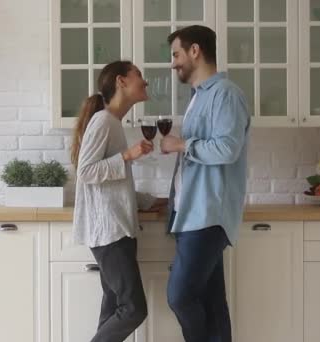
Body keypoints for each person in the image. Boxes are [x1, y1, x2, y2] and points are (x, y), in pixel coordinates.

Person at [160, 25, 250, 342]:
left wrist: (181, 145)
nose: (173, 63)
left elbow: (227, 149)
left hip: (208, 214)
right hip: (193, 213)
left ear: (195, 51)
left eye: (176, 54)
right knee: (213, 304)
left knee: (180, 296)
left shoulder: (226, 94)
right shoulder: (199, 97)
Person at [71, 60, 168, 342]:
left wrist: (149, 201)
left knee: (114, 305)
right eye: (139, 75)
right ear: (121, 82)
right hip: (109, 232)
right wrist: (127, 156)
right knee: (133, 309)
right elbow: (86, 172)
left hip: (116, 228)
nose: (145, 81)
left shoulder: (112, 122)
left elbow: (114, 183)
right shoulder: (103, 121)